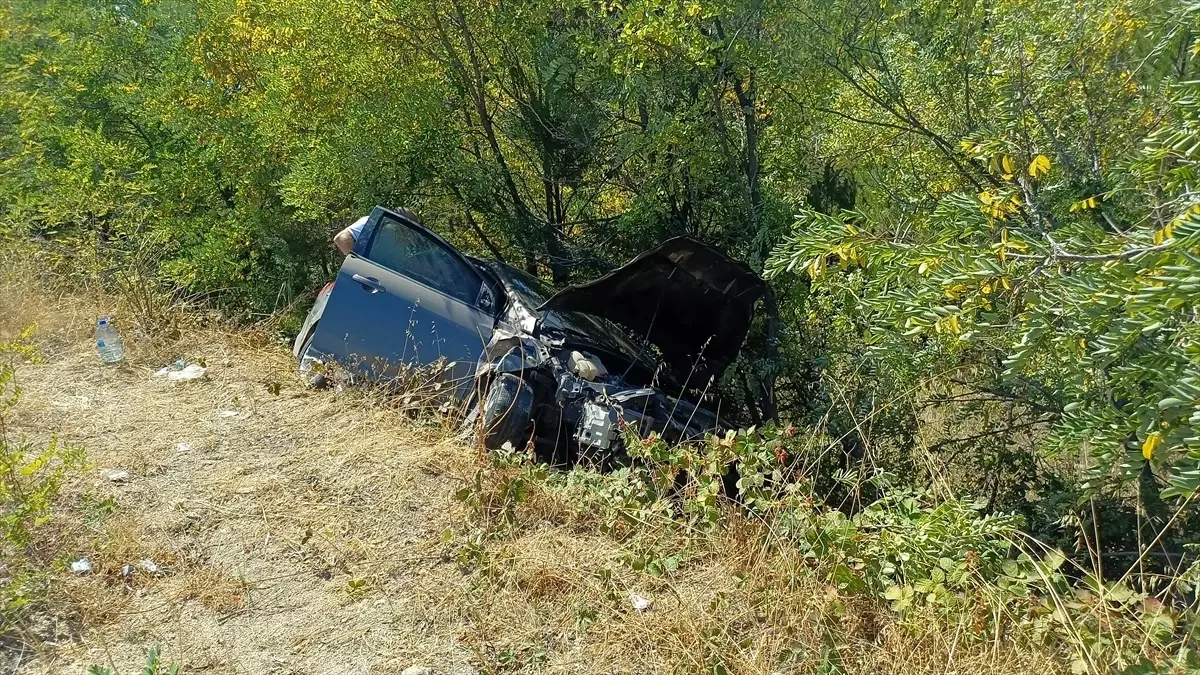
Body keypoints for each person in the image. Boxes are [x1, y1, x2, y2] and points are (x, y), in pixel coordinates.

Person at [333, 207, 420, 256]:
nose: (407, 233)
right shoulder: (373, 222)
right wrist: (357, 262)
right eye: (407, 227)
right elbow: (340, 238)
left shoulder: (400, 245)